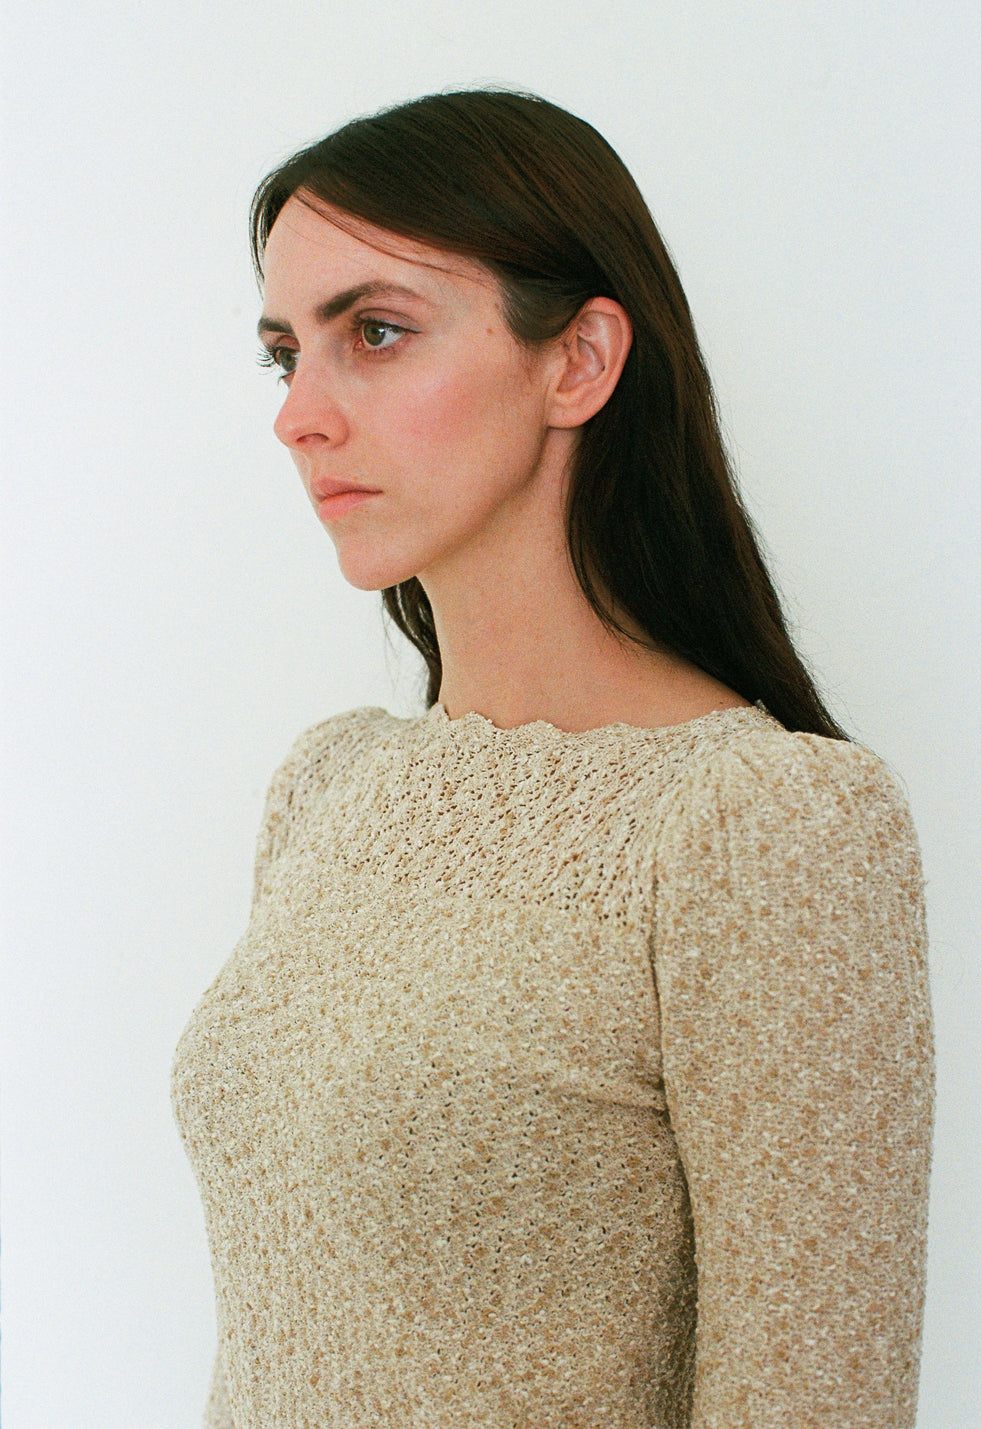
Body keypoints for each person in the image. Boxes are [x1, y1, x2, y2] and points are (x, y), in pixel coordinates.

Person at [172, 89, 936, 1428]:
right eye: (285, 352)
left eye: (379, 332)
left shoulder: (765, 823)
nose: (300, 413)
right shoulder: (328, 787)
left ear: (579, 360)